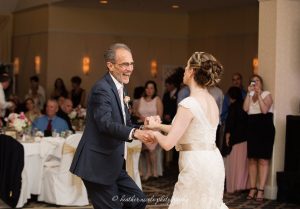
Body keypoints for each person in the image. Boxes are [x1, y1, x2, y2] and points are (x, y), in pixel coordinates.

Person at [70, 43, 150, 209]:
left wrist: (144, 127)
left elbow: (125, 124)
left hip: (113, 165)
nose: (130, 68)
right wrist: (134, 133)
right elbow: (105, 124)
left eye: (132, 64)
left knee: (138, 200)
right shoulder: (102, 89)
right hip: (97, 165)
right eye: (125, 64)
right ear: (110, 65)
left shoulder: (121, 88)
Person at [145, 52, 228, 208]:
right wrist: (158, 126)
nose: (184, 70)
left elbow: (168, 144)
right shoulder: (211, 101)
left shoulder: (188, 103)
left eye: (187, 66)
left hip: (196, 165)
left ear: (193, 71)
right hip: (213, 161)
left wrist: (154, 134)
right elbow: (188, 130)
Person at [243, 74, 275, 202]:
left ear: (261, 83)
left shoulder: (266, 94)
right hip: (252, 128)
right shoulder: (250, 96)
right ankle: (252, 188)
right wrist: (248, 94)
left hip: (265, 128)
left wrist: (259, 94)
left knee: (263, 160)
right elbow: (245, 108)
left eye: (257, 81)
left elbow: (264, 110)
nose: (255, 83)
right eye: (252, 82)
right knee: (252, 160)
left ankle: (261, 190)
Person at [133, 80, 164, 180]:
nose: (149, 90)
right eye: (147, 88)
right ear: (145, 89)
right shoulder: (141, 100)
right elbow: (135, 112)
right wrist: (142, 117)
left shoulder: (157, 100)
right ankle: (148, 171)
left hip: (154, 128)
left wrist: (152, 122)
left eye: (151, 88)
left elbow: (160, 115)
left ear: (154, 90)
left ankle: (154, 172)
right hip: (143, 128)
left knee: (151, 150)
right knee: (145, 151)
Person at [224, 86, 248, 193]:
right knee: (242, 164)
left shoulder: (232, 107)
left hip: (235, 139)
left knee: (234, 164)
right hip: (244, 138)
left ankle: (234, 187)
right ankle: (242, 186)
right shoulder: (244, 105)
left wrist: (227, 136)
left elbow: (230, 122)